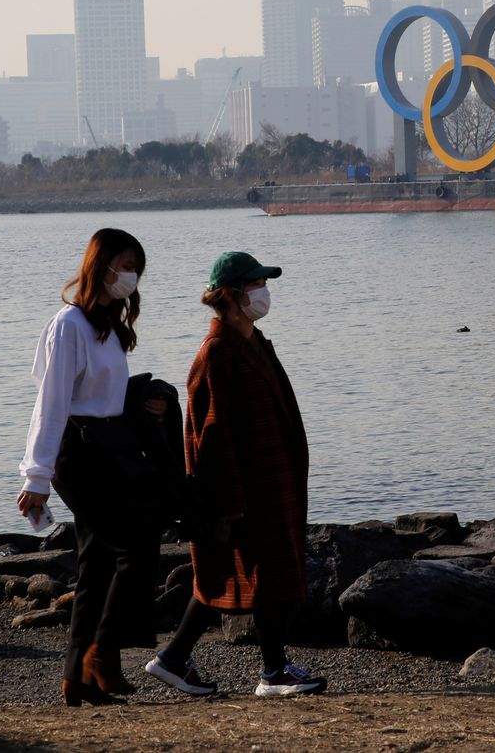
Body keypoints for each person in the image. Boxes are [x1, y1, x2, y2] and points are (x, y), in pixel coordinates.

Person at [144, 251, 325, 698]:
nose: (264, 293)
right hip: (245, 488)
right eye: (256, 285)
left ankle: (173, 659)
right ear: (230, 295)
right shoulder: (217, 353)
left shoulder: (253, 341)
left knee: (231, 575)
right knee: (257, 575)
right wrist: (227, 503)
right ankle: (273, 671)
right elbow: (211, 435)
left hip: (271, 481)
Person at [16, 228, 166, 707]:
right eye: (123, 263)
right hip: (77, 453)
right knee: (134, 547)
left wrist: (147, 404)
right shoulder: (69, 325)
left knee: (98, 562)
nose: (130, 274)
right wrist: (35, 478)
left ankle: (77, 676)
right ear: (98, 265)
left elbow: (107, 397)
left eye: (134, 266)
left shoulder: (107, 327)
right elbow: (52, 402)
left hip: (108, 448)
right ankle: (102, 653)